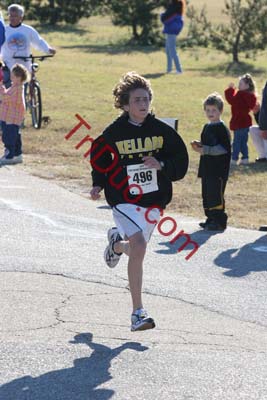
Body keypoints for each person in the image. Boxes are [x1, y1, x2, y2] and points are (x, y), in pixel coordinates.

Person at [90, 71, 188, 331]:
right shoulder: (114, 132)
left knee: (137, 249)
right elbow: (100, 157)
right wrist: (97, 183)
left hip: (153, 201)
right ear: (125, 104)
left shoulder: (161, 131)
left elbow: (180, 159)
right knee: (141, 245)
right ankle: (138, 312)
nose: (143, 104)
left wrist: (162, 163)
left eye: (146, 99)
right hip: (122, 197)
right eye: (137, 100)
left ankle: (117, 246)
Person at [191, 93, 231, 231]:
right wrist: (200, 145)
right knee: (207, 194)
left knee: (215, 195)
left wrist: (205, 149)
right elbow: (207, 144)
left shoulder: (221, 129)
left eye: (214, 110)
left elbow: (222, 149)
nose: (210, 113)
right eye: (208, 110)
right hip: (207, 168)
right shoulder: (207, 127)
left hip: (218, 170)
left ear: (220, 111)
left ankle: (219, 221)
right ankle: (210, 218)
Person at [0, 4, 56, 87]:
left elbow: (38, 42)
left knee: (25, 86)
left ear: (21, 17)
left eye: (15, 16)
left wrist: (48, 49)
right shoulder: (4, 30)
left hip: (24, 65)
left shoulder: (28, 30)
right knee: (8, 87)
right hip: (9, 64)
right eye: (10, 15)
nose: (12, 18)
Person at [224, 73, 257, 165]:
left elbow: (231, 100)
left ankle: (234, 159)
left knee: (237, 142)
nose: (239, 86)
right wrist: (231, 90)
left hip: (240, 122)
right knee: (242, 142)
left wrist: (230, 90)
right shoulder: (247, 95)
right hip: (244, 122)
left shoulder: (243, 95)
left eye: (241, 84)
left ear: (247, 85)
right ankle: (245, 158)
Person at [0, 63, 28, 165]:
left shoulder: (17, 89)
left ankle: (9, 155)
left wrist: (0, 86)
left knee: (8, 136)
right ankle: (17, 154)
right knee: (15, 135)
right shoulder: (15, 86)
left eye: (13, 76)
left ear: (20, 78)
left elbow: (4, 97)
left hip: (11, 118)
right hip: (11, 117)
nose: (11, 77)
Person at [160, 0, 185, 74]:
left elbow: (166, 19)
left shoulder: (175, 9)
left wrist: (162, 16)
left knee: (172, 51)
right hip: (170, 31)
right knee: (168, 51)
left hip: (171, 32)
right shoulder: (176, 9)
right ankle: (169, 69)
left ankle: (179, 70)